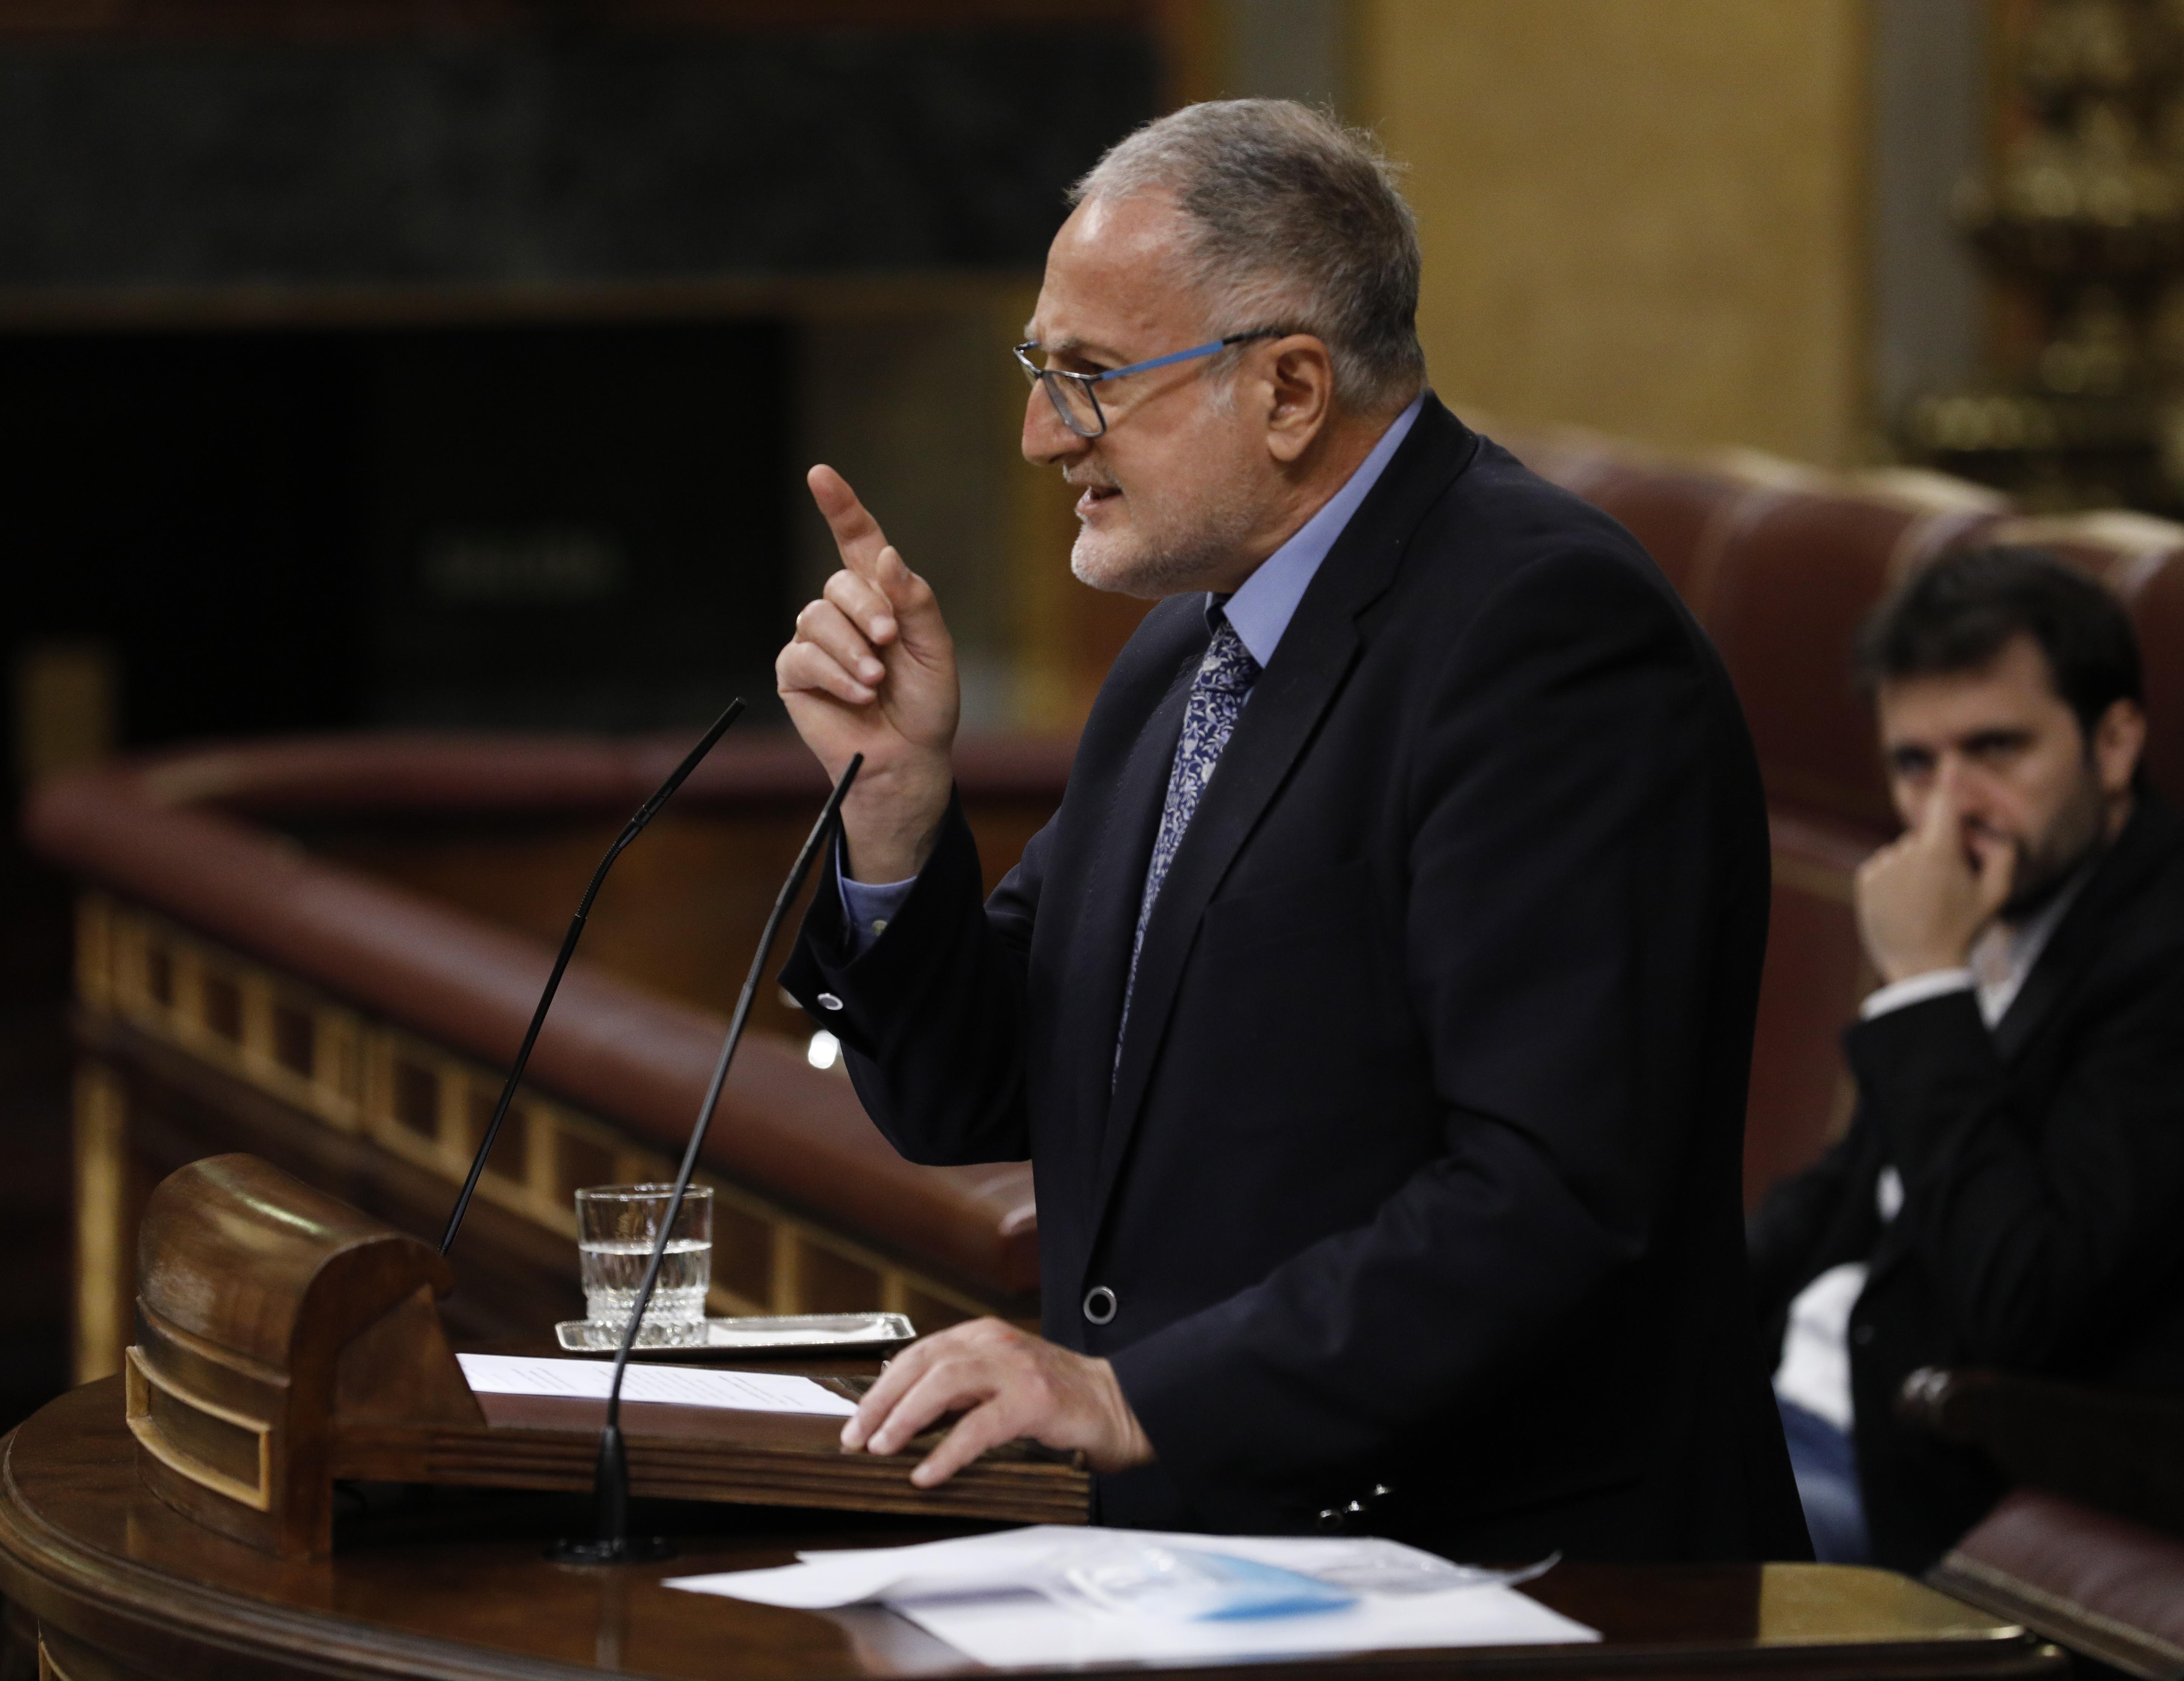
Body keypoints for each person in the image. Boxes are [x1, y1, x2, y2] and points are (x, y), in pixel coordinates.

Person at [774, 99, 1805, 1560]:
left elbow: (1553, 1191)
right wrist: (892, 815)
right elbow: (981, 1084)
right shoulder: (1189, 648)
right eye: (1037, 370)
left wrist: (1142, 1398)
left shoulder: (1546, 638)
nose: (1034, 433)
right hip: (1214, 1554)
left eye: (1087, 377)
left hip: (1512, 1580)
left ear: (1291, 389)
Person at [1748, 547, 2184, 1574]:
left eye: (1997, 749)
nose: (1951, 811)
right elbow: (1842, 1202)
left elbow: (2024, 1302)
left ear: (2114, 743)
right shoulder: (2000, 906)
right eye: (1916, 765)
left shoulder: (2162, 964)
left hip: (1916, 1472)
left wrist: (1926, 991)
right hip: (1774, 1408)